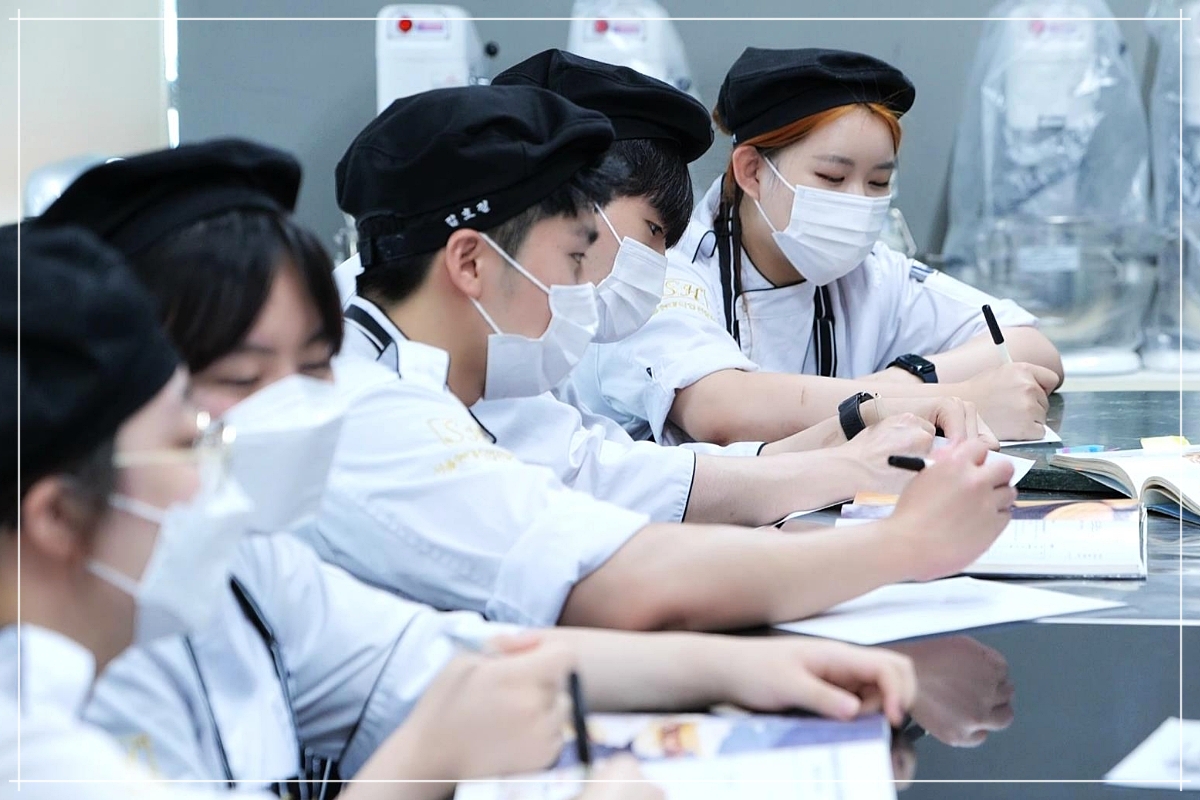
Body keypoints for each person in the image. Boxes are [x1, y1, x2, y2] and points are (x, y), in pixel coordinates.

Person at [32, 139, 922, 794]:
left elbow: (455, 658)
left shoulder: (240, 566)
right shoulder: (34, 724)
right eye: (230, 390)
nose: (598, 284)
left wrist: (742, 673)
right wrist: (894, 546)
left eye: (311, 366)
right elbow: (600, 581)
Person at [319, 82, 1017, 633]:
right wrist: (904, 542)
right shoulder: (373, 414)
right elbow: (623, 577)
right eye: (574, 258)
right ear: (471, 262)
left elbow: (600, 473)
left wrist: (843, 444)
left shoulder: (440, 360)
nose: (584, 289)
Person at [2, 224, 583, 800]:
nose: (210, 476)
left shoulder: (244, 571)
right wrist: (424, 756)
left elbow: (434, 657)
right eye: (188, 446)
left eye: (315, 363)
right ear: (57, 516)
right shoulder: (33, 743)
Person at [452, 48, 977, 527]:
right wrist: (861, 486)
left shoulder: (518, 364)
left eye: (878, 183)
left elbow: (619, 468)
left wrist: (852, 423)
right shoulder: (426, 398)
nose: (658, 263)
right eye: (652, 234)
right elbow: (649, 472)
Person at [566, 47, 1065, 449]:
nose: (858, 202)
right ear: (752, 171)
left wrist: (911, 379)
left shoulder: (869, 273)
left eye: (878, 182)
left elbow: (1028, 344)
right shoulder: (668, 265)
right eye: (832, 177)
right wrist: (940, 399)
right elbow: (721, 408)